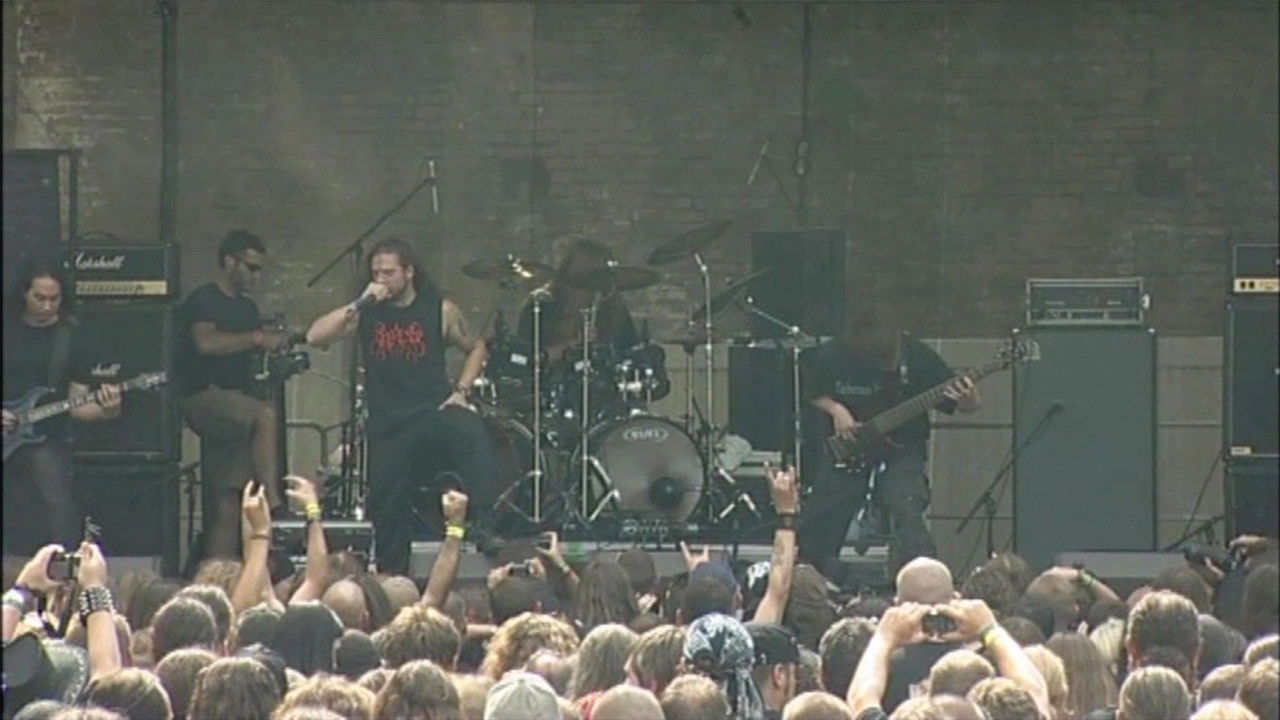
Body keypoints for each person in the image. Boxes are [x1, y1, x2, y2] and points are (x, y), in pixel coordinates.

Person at [306, 238, 497, 575]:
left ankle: (484, 521)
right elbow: (315, 336)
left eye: (389, 273)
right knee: (387, 509)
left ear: (409, 272)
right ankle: (393, 580)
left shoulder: (439, 310)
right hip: (388, 423)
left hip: (431, 412)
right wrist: (359, 303)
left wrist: (461, 391)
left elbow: (477, 347)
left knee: (471, 430)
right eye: (376, 273)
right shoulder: (366, 312)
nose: (381, 279)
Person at [798, 309, 979, 575]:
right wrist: (837, 411)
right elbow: (812, 392)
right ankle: (812, 575)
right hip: (849, 447)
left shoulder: (917, 356)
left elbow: (964, 403)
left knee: (906, 504)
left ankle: (918, 578)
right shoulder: (834, 353)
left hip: (902, 449)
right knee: (825, 512)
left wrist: (969, 399)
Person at [176, 230, 289, 560]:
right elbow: (205, 342)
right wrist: (257, 338)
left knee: (228, 504)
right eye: (251, 268)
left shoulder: (248, 308)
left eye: (259, 270)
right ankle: (275, 502)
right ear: (229, 262)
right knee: (265, 416)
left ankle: (216, 578)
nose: (256, 276)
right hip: (203, 396)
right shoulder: (204, 299)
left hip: (236, 408)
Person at [3, 263, 122, 555]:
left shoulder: (71, 338)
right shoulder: (7, 330)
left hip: (45, 436)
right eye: (39, 298)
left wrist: (109, 410)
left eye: (53, 299)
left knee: (57, 501)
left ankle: (65, 566)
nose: (47, 306)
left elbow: (77, 403)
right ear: (24, 294)